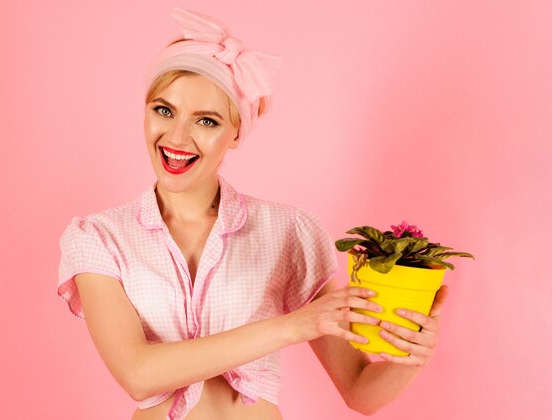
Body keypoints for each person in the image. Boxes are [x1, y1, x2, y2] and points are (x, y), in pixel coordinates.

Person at [56, 7, 447, 420]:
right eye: (163, 110)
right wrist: (294, 325)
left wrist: (411, 357)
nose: (176, 137)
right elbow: (137, 373)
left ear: (236, 132)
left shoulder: (287, 231)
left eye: (206, 120)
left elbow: (359, 393)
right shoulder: (98, 237)